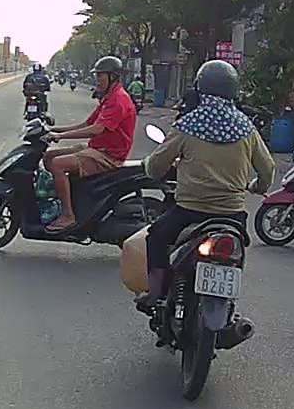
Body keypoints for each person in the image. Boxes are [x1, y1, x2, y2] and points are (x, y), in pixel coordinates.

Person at [137, 60, 276, 312]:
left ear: (199, 88)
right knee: (236, 254)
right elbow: (267, 169)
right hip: (232, 215)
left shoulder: (189, 124)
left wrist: (150, 167)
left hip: (190, 211)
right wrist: (258, 186)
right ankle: (228, 305)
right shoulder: (246, 128)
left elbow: (156, 167)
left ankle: (155, 293)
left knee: (156, 236)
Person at [42, 55, 137, 233]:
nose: (97, 80)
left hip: (108, 156)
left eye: (100, 76)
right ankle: (62, 197)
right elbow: (87, 124)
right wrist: (54, 130)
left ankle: (68, 216)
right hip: (96, 149)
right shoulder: (109, 98)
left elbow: (96, 129)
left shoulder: (119, 100)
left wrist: (60, 136)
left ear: (113, 77)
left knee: (57, 164)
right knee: (48, 156)